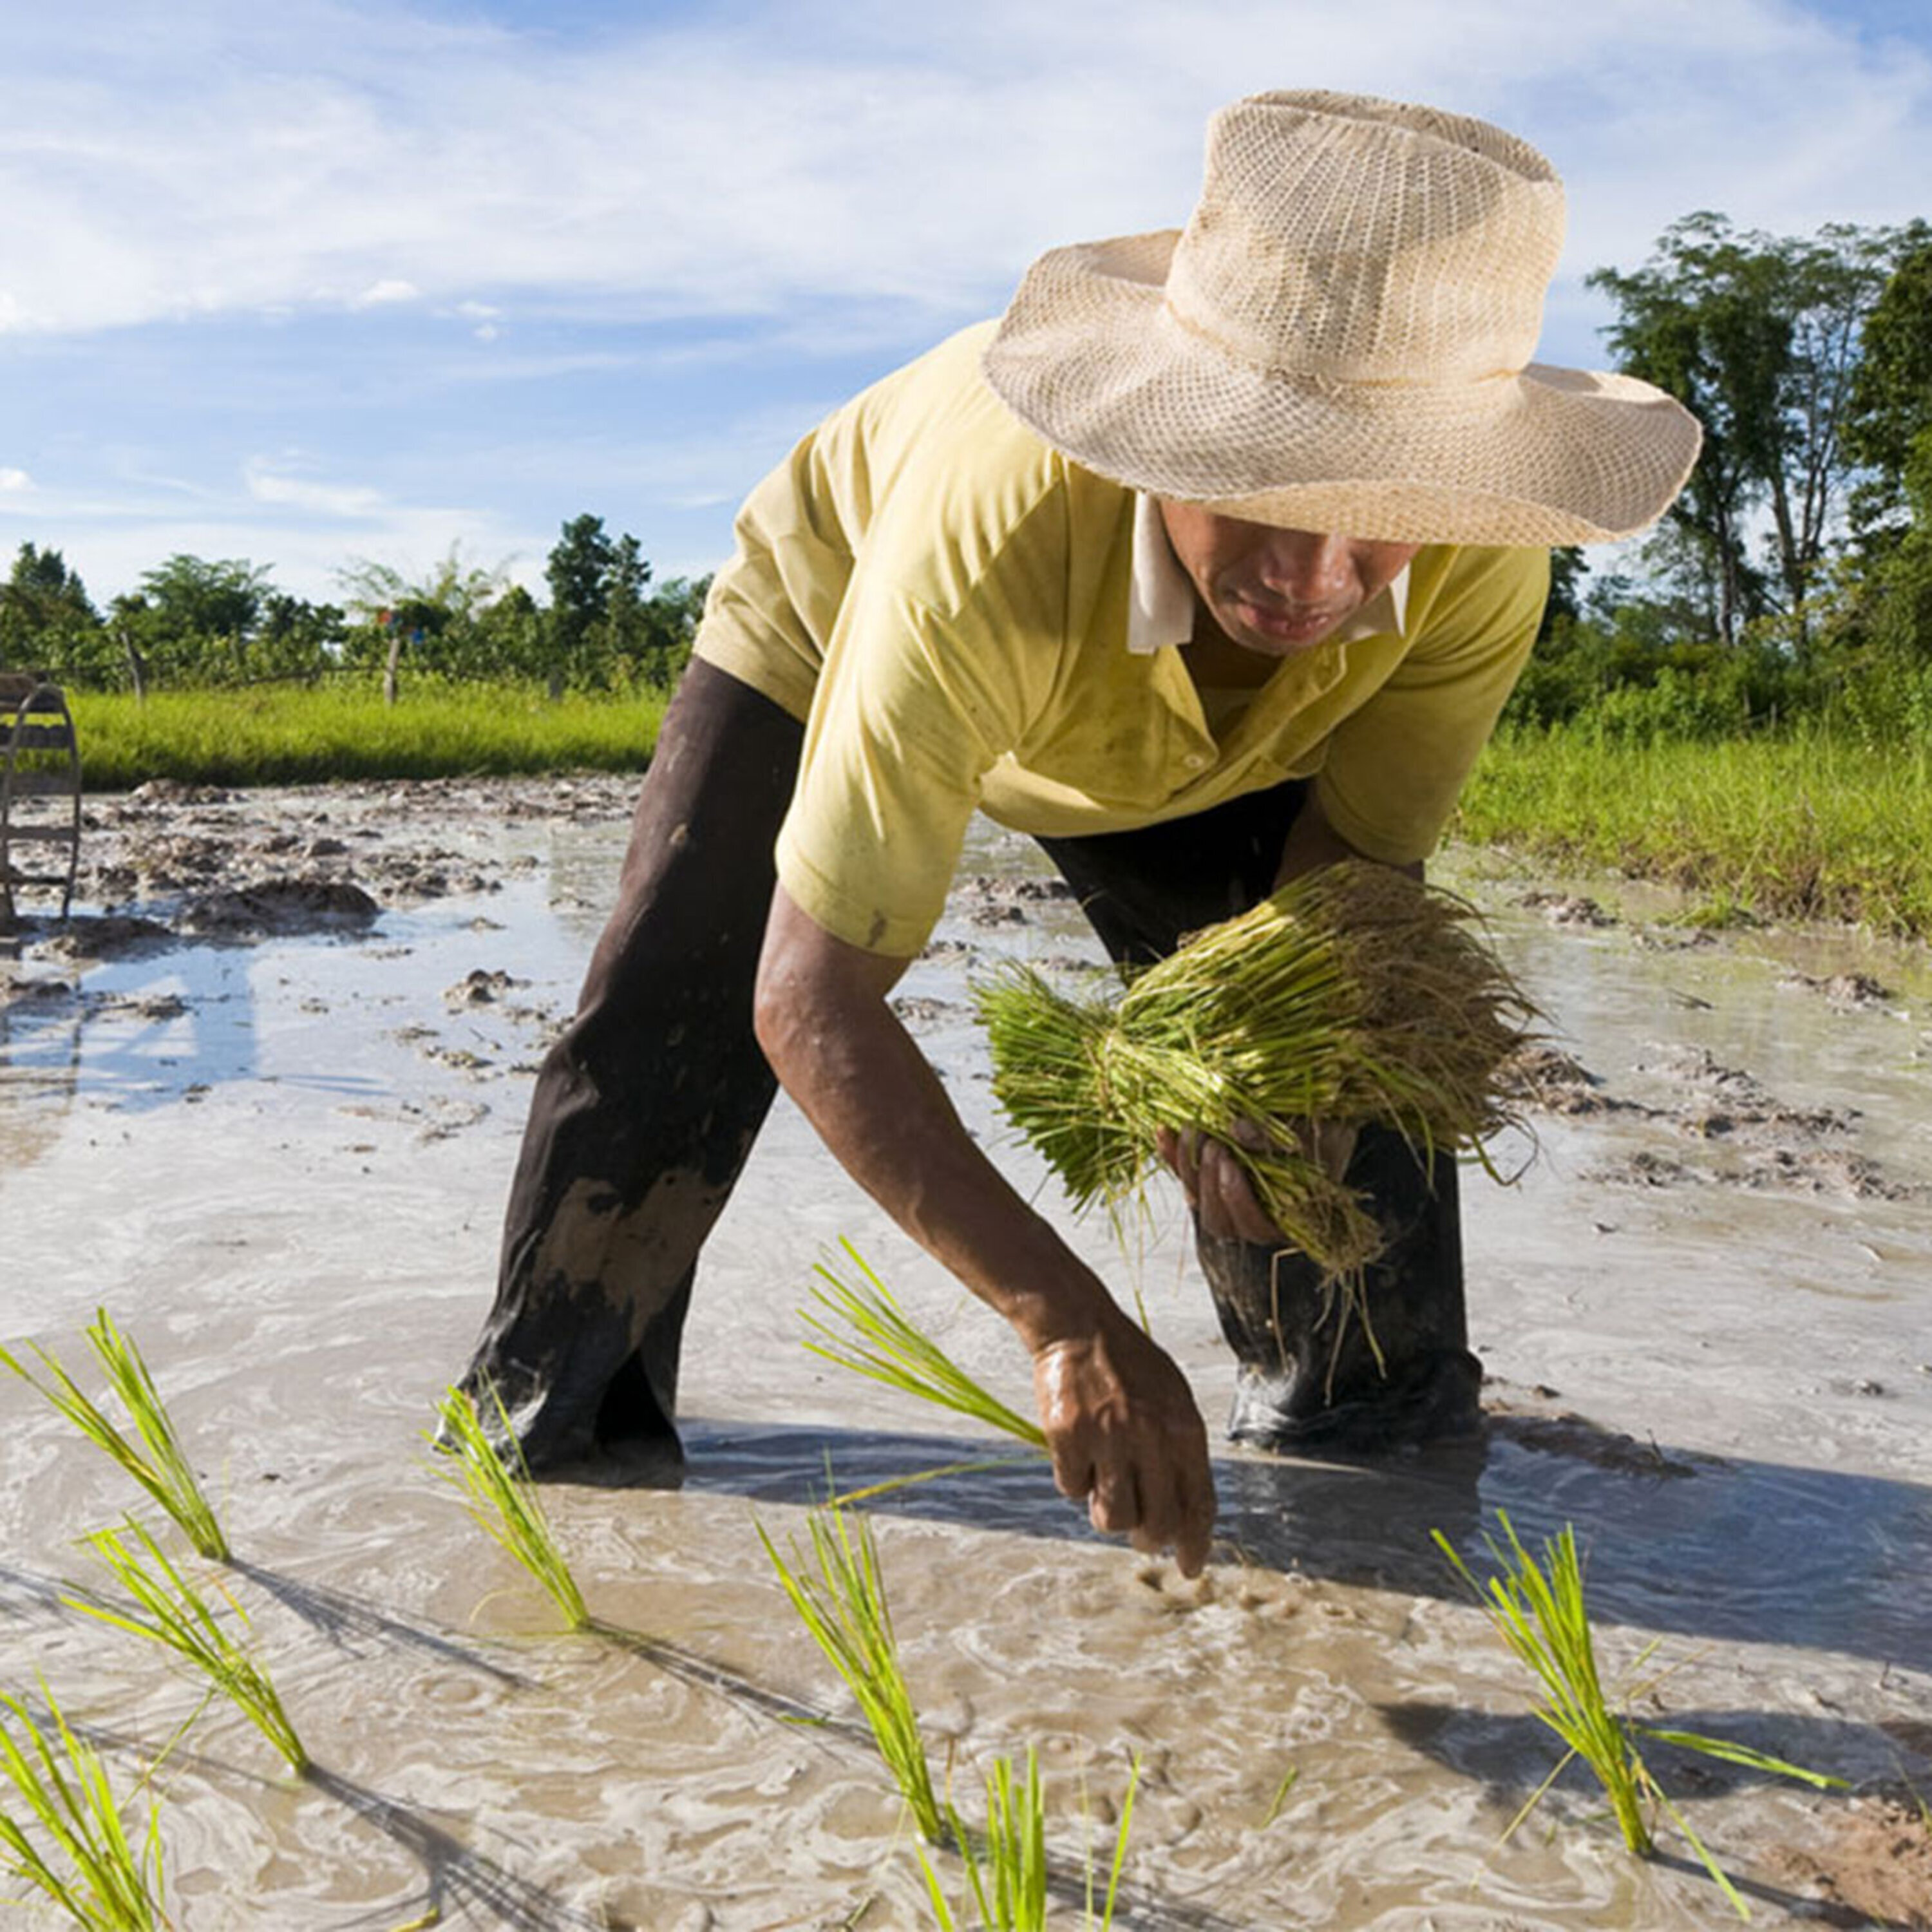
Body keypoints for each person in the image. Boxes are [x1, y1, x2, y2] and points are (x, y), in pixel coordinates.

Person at [449, 90, 1700, 1578]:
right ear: (1170, 430)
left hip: (1221, 750)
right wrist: (1064, 1321)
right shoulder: (980, 532)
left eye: (1380, 517)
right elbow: (810, 996)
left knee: (1339, 1069)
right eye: (1265, 489)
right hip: (832, 618)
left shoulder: (1482, 563)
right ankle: (548, 1458)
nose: (1313, 575)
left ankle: (1371, 1478)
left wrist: (1263, 1067)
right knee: (674, 1023)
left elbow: (1354, 874)